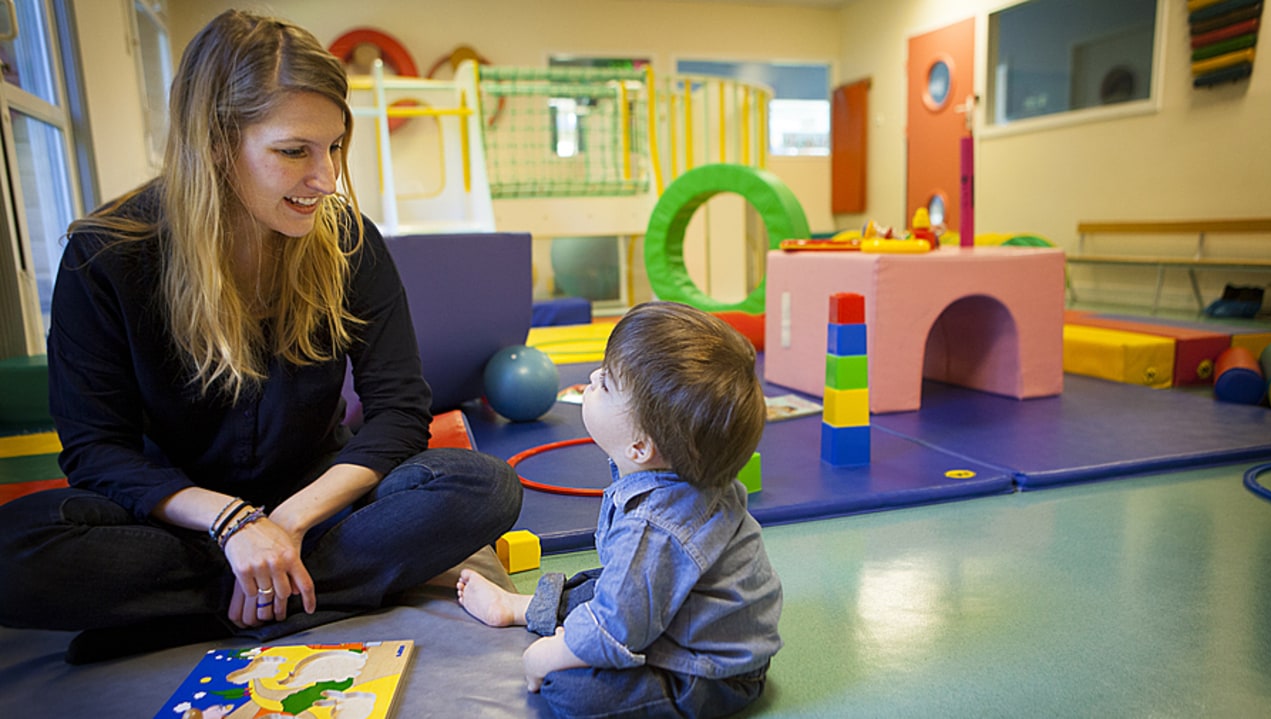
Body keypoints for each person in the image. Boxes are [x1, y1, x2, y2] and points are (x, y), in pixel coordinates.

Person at [0, 9, 521, 664]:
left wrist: (285, 524)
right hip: (178, 520)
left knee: (483, 485)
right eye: (293, 151)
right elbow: (96, 450)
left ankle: (209, 604)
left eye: (334, 146)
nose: (326, 177)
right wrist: (232, 524)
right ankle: (297, 590)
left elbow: (399, 413)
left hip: (315, 505)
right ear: (217, 143)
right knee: (11, 551)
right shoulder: (103, 256)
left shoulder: (349, 242)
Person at [457, 301, 783, 718]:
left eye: (607, 383)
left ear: (641, 447)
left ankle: (556, 634)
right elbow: (626, 591)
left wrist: (546, 656)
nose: (593, 377)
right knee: (602, 585)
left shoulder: (658, 525)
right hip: (681, 615)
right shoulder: (681, 473)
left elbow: (618, 624)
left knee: (572, 690)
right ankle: (516, 607)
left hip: (709, 671)